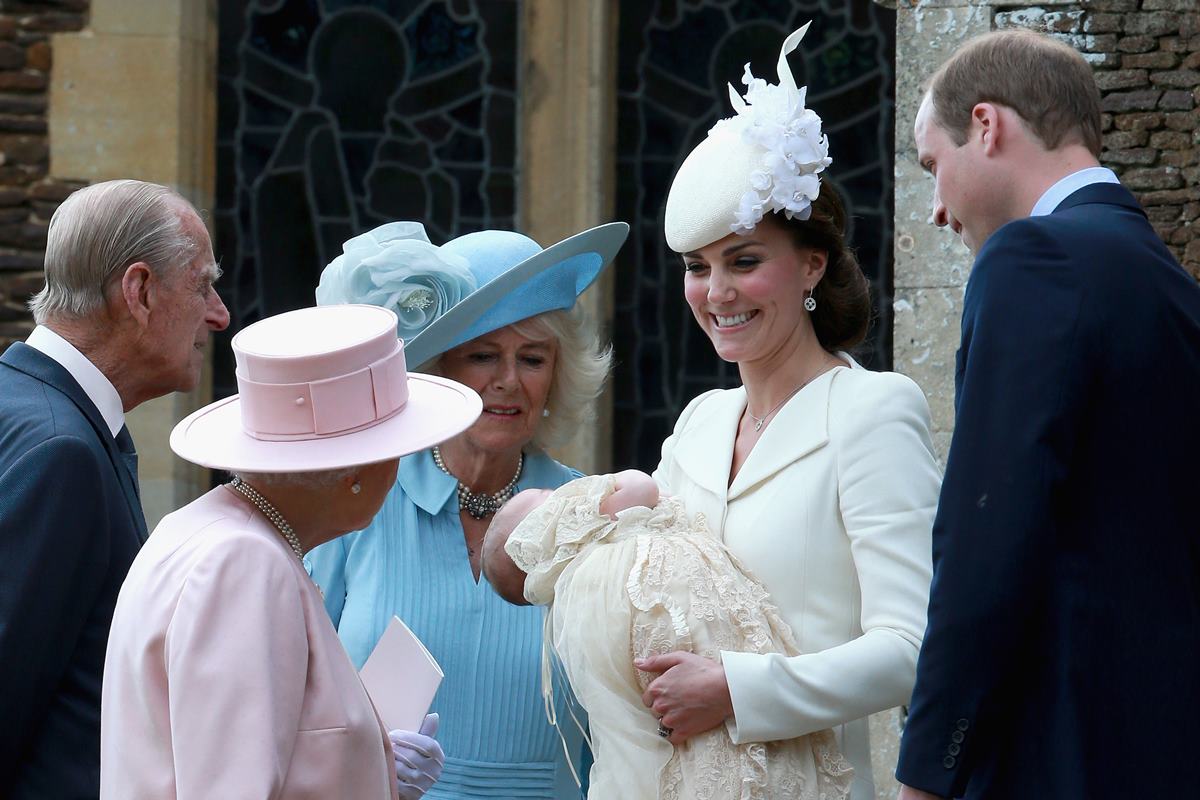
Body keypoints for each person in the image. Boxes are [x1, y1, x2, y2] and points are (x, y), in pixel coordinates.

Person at [635, 25, 942, 800]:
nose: (718, 293)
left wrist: (739, 692)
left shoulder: (872, 410)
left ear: (811, 264)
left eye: (744, 261)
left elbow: (910, 646)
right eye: (697, 269)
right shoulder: (698, 425)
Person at [896, 29, 1200, 800]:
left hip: (1057, 752)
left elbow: (988, 528)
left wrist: (931, 767)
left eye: (934, 167)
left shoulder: (1035, 257)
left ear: (988, 125)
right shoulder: (1169, 287)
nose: (935, 209)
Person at [100, 304, 481, 798]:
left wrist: (372, 765)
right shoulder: (243, 563)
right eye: (394, 447)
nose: (399, 466)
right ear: (353, 474)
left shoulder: (214, 531)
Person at [305, 219, 628, 798]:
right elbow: (292, 690)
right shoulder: (358, 505)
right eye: (483, 356)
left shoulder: (588, 517)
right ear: (437, 369)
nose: (508, 381)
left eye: (532, 359)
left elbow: (622, 720)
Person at [0, 179, 230, 797]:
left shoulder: (26, 405)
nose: (219, 313)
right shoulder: (61, 452)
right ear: (140, 291)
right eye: (203, 283)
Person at [481, 473, 854, 800]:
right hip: (748, 717)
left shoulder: (579, 601)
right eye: (548, 498)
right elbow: (643, 487)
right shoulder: (600, 559)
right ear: (546, 534)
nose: (566, 493)